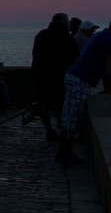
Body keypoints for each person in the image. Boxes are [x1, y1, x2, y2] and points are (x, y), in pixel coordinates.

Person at [59, 16, 111, 163]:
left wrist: (108, 88)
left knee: (69, 116)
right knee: (73, 118)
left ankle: (64, 153)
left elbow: (104, 67)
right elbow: (109, 67)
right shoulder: (110, 39)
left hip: (74, 76)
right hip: (81, 79)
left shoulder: (101, 35)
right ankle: (65, 155)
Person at [30, 13, 77, 143]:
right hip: (57, 76)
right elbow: (74, 59)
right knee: (59, 103)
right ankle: (61, 128)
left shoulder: (41, 35)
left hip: (39, 75)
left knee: (42, 102)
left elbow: (36, 55)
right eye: (67, 22)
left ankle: (48, 129)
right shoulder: (66, 37)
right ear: (63, 23)